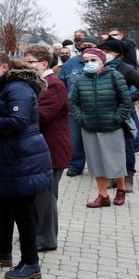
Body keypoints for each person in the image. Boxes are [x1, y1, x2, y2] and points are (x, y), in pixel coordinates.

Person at [0, 53, 52, 279]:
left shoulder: (18, 88)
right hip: (9, 157)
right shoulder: (3, 87)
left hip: (23, 158)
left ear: (4, 67)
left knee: (23, 211)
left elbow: (17, 122)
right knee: (4, 205)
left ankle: (31, 263)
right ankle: (3, 250)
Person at [69, 48, 132, 207]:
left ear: (102, 61)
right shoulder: (81, 80)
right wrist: (81, 118)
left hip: (112, 126)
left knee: (116, 161)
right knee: (96, 163)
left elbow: (126, 102)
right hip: (89, 127)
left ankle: (121, 189)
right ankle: (103, 196)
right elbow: (74, 103)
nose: (89, 63)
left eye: (93, 60)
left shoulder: (114, 76)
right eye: (86, 61)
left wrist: (116, 118)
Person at [23, 45, 71, 252]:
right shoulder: (40, 83)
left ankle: (47, 239)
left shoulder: (53, 85)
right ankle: (36, 233)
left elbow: (42, 115)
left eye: (30, 62)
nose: (26, 65)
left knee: (46, 197)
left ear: (43, 64)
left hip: (52, 149)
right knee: (37, 195)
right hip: (41, 149)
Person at [98, 39, 139, 192]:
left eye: (107, 52)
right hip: (104, 113)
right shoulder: (100, 68)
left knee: (126, 146)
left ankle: (128, 178)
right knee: (108, 147)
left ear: (117, 54)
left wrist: (127, 99)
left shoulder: (126, 69)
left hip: (122, 114)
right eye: (103, 51)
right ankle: (113, 176)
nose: (104, 54)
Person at [58, 35, 99, 176]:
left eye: (90, 45)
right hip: (73, 109)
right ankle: (76, 166)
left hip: (96, 109)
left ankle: (98, 167)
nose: (86, 47)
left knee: (96, 139)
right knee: (75, 140)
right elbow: (60, 83)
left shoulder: (101, 63)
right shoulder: (71, 63)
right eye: (84, 44)